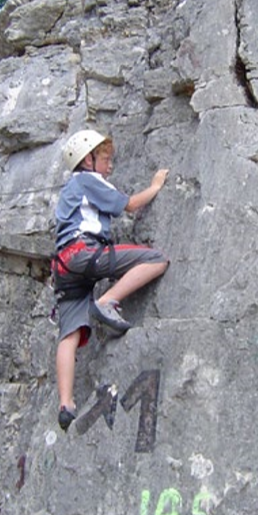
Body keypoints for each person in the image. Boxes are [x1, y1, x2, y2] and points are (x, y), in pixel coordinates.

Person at [51, 129, 170, 431]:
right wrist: (155, 186)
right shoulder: (88, 180)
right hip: (85, 252)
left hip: (64, 266)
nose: (110, 165)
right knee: (156, 259)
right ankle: (107, 301)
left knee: (69, 333)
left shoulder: (69, 190)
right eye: (105, 159)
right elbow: (129, 205)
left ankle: (65, 404)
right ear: (87, 160)